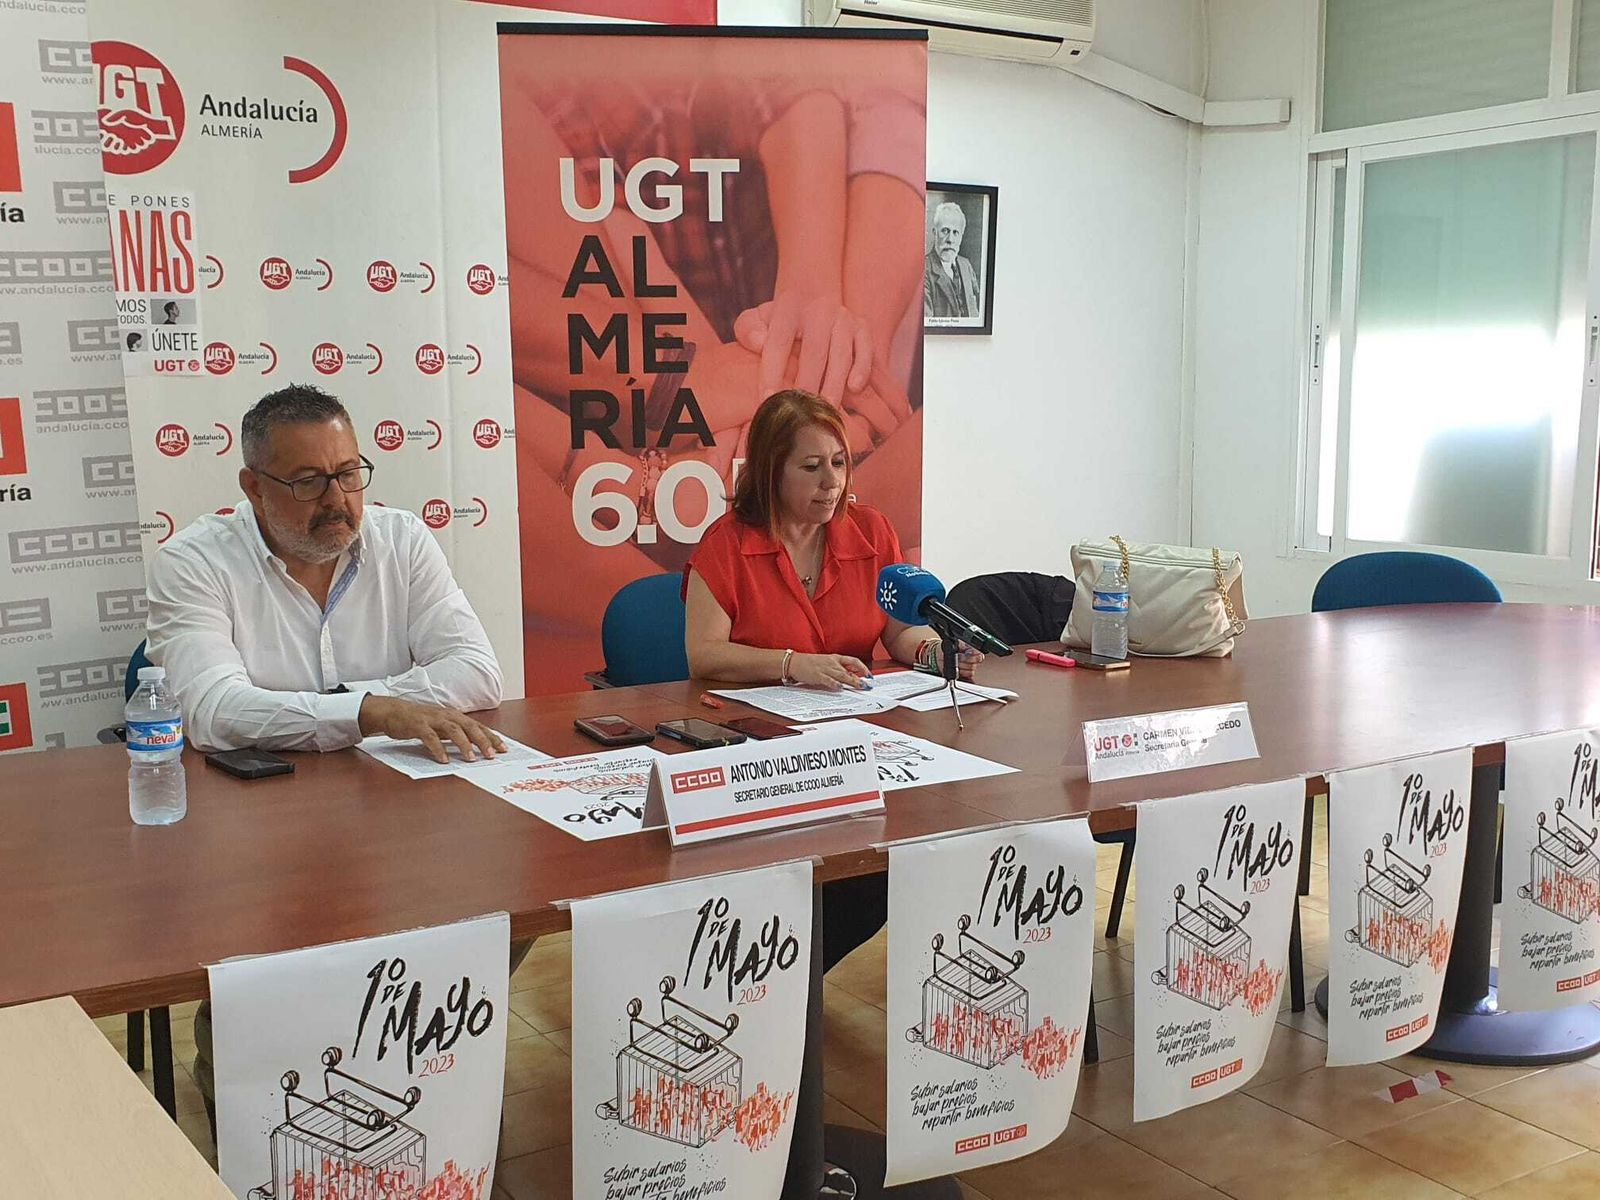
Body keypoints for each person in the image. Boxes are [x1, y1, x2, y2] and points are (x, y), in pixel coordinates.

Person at [683, 389, 979, 971]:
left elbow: (898, 634)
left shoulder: (870, 533)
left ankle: (794, 973)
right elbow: (703, 655)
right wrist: (793, 664)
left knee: (889, 859)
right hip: (761, 747)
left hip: (854, 737)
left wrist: (936, 654)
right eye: (812, 467)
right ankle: (770, 974)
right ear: (771, 471)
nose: (832, 483)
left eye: (840, 463)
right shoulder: (726, 544)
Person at [145, 383, 506, 764]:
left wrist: (350, 703)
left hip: (387, 783)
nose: (337, 499)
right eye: (309, 481)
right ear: (254, 488)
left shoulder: (403, 539)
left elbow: (476, 671)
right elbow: (213, 710)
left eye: (349, 474)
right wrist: (368, 711)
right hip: (263, 801)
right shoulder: (191, 562)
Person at [924, 200, 981, 321]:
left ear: (961, 237)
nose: (950, 239)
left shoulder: (966, 265)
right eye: (945, 231)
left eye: (956, 232)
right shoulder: (924, 269)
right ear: (935, 233)